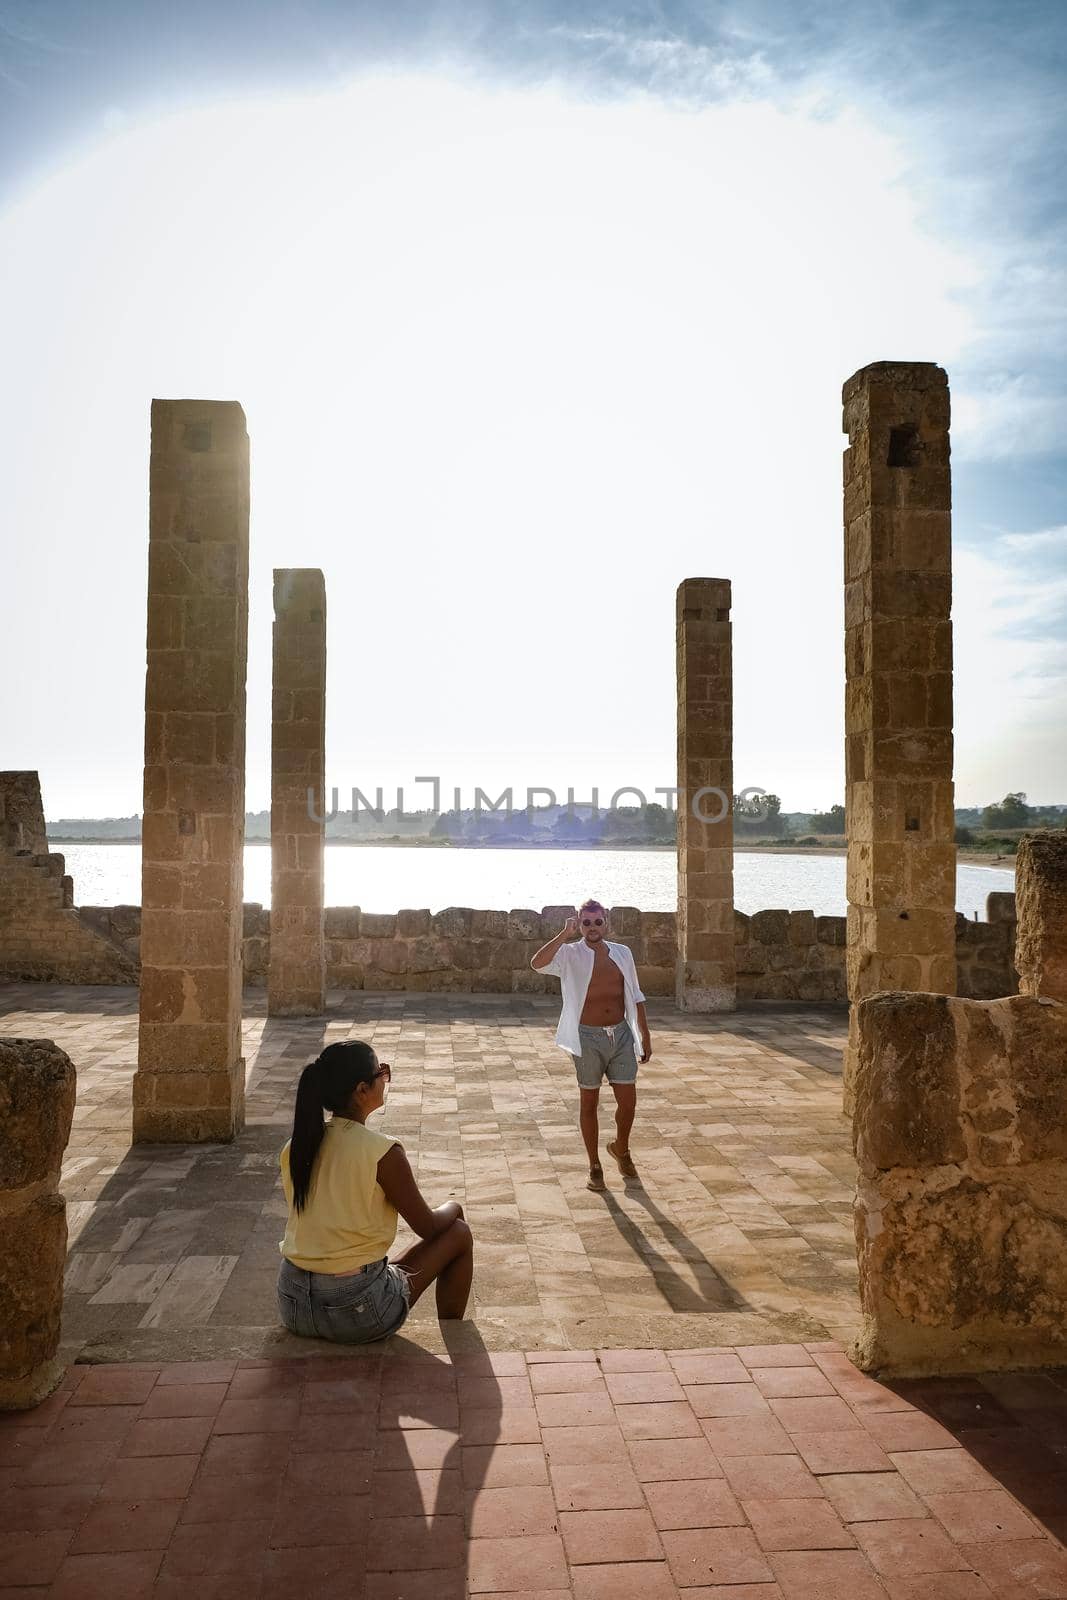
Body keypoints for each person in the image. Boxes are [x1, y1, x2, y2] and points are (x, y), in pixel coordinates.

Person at [277, 1040, 473, 1343]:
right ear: (361, 1090)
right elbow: (428, 1227)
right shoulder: (382, 1152)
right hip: (354, 1312)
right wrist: (454, 1204)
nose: (385, 1079)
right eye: (381, 1073)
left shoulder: (296, 1147)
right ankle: (456, 1339)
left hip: (294, 1303)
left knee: (375, 1267)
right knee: (458, 1233)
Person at [531, 898, 652, 1191]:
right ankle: (594, 1165)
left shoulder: (622, 953)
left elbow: (635, 995)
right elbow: (537, 964)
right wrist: (564, 934)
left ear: (606, 922)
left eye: (598, 922)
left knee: (628, 1101)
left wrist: (645, 1035)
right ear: (579, 923)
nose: (593, 927)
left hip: (621, 1035)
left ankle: (621, 1149)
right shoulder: (570, 953)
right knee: (589, 1102)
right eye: (587, 922)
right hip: (586, 1036)